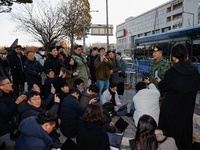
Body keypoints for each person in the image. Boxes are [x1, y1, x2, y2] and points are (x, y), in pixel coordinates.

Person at [156, 43, 200, 150]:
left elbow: (163, 86)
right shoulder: (195, 70)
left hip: (172, 111)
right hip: (187, 110)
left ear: (172, 56)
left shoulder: (172, 72)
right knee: (184, 137)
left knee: (170, 136)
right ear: (186, 55)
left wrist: (160, 82)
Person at [0, 77, 26, 148]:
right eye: (7, 83)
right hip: (4, 129)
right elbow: (6, 113)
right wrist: (17, 102)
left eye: (10, 82)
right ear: (1, 87)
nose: (10, 84)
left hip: (15, 124)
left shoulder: (11, 94)